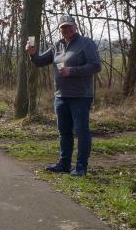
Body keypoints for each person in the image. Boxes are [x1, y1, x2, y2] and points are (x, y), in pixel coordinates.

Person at [26, 14, 102, 176]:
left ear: (75, 26)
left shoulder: (86, 43)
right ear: (60, 30)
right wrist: (32, 54)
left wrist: (72, 71)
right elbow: (40, 61)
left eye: (69, 26)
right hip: (61, 96)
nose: (66, 29)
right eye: (63, 27)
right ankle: (64, 164)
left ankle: (81, 167)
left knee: (81, 131)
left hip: (80, 96)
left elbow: (96, 66)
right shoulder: (57, 46)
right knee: (64, 132)